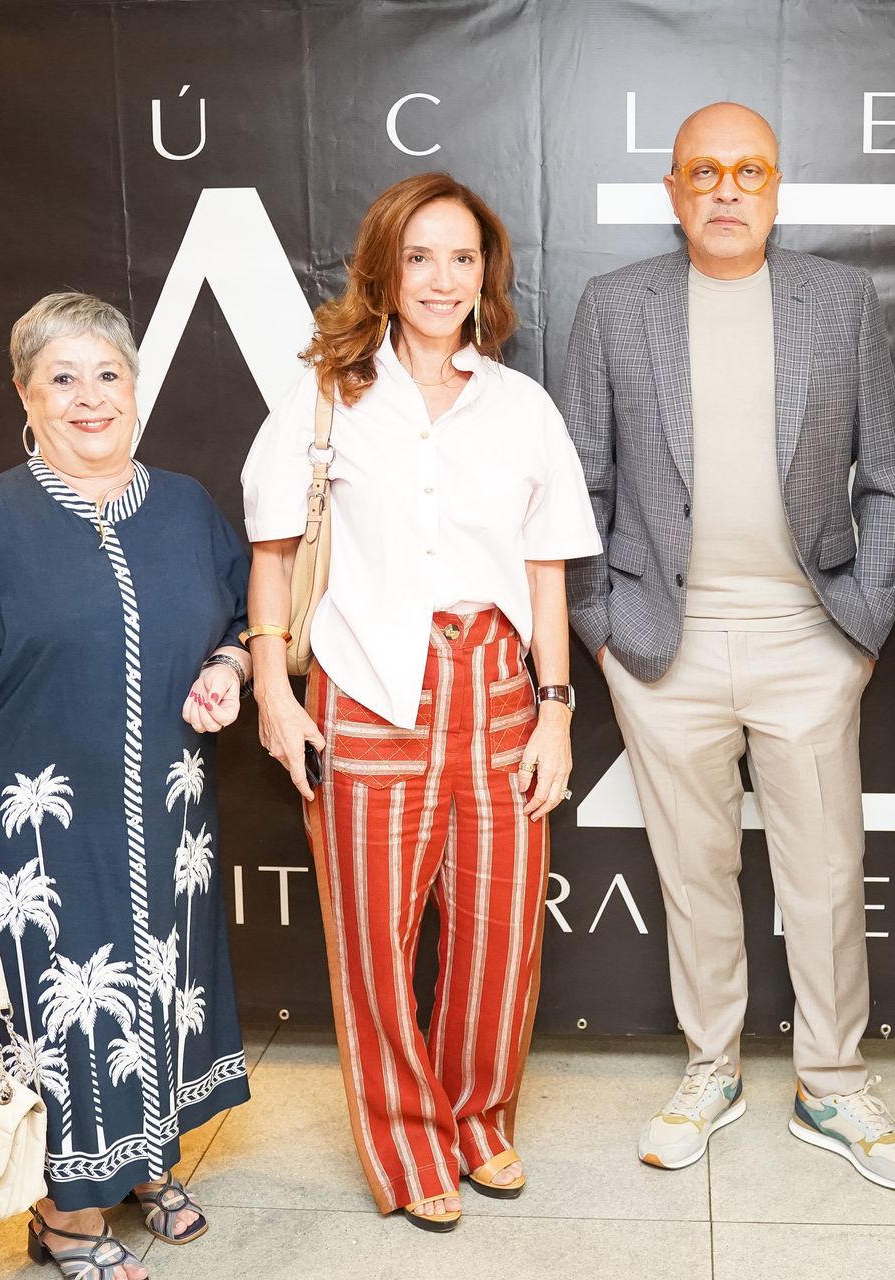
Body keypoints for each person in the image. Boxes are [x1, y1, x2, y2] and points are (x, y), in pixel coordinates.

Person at [561, 102, 895, 1190]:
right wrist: (602, 634)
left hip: (809, 637)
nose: (727, 190)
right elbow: (579, 485)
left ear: (776, 189)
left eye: (750, 171)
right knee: (696, 872)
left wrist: (860, 631)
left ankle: (833, 1083)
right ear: (674, 192)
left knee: (826, 875)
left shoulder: (839, 300)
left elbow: (887, 479)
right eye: (705, 172)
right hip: (661, 645)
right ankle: (711, 1068)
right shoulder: (615, 305)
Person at [241, 172, 601, 1232]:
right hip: (368, 692)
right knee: (374, 940)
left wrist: (556, 708)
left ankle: (477, 1119)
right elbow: (273, 555)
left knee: (499, 930)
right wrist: (273, 692)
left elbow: (546, 571)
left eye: (462, 258)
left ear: (486, 274)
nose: (442, 279)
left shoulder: (522, 407)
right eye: (419, 257)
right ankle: (406, 1143)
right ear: (384, 272)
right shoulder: (325, 397)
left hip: (497, 687)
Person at [0, 292, 253, 1278]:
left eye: (108, 375)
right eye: (63, 378)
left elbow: (242, 617)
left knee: (157, 989)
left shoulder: (185, 508)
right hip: (34, 836)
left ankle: (143, 1162)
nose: (90, 398)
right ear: (25, 396)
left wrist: (229, 667)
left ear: (137, 388)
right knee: (57, 1014)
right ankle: (64, 1214)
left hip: (166, 822)